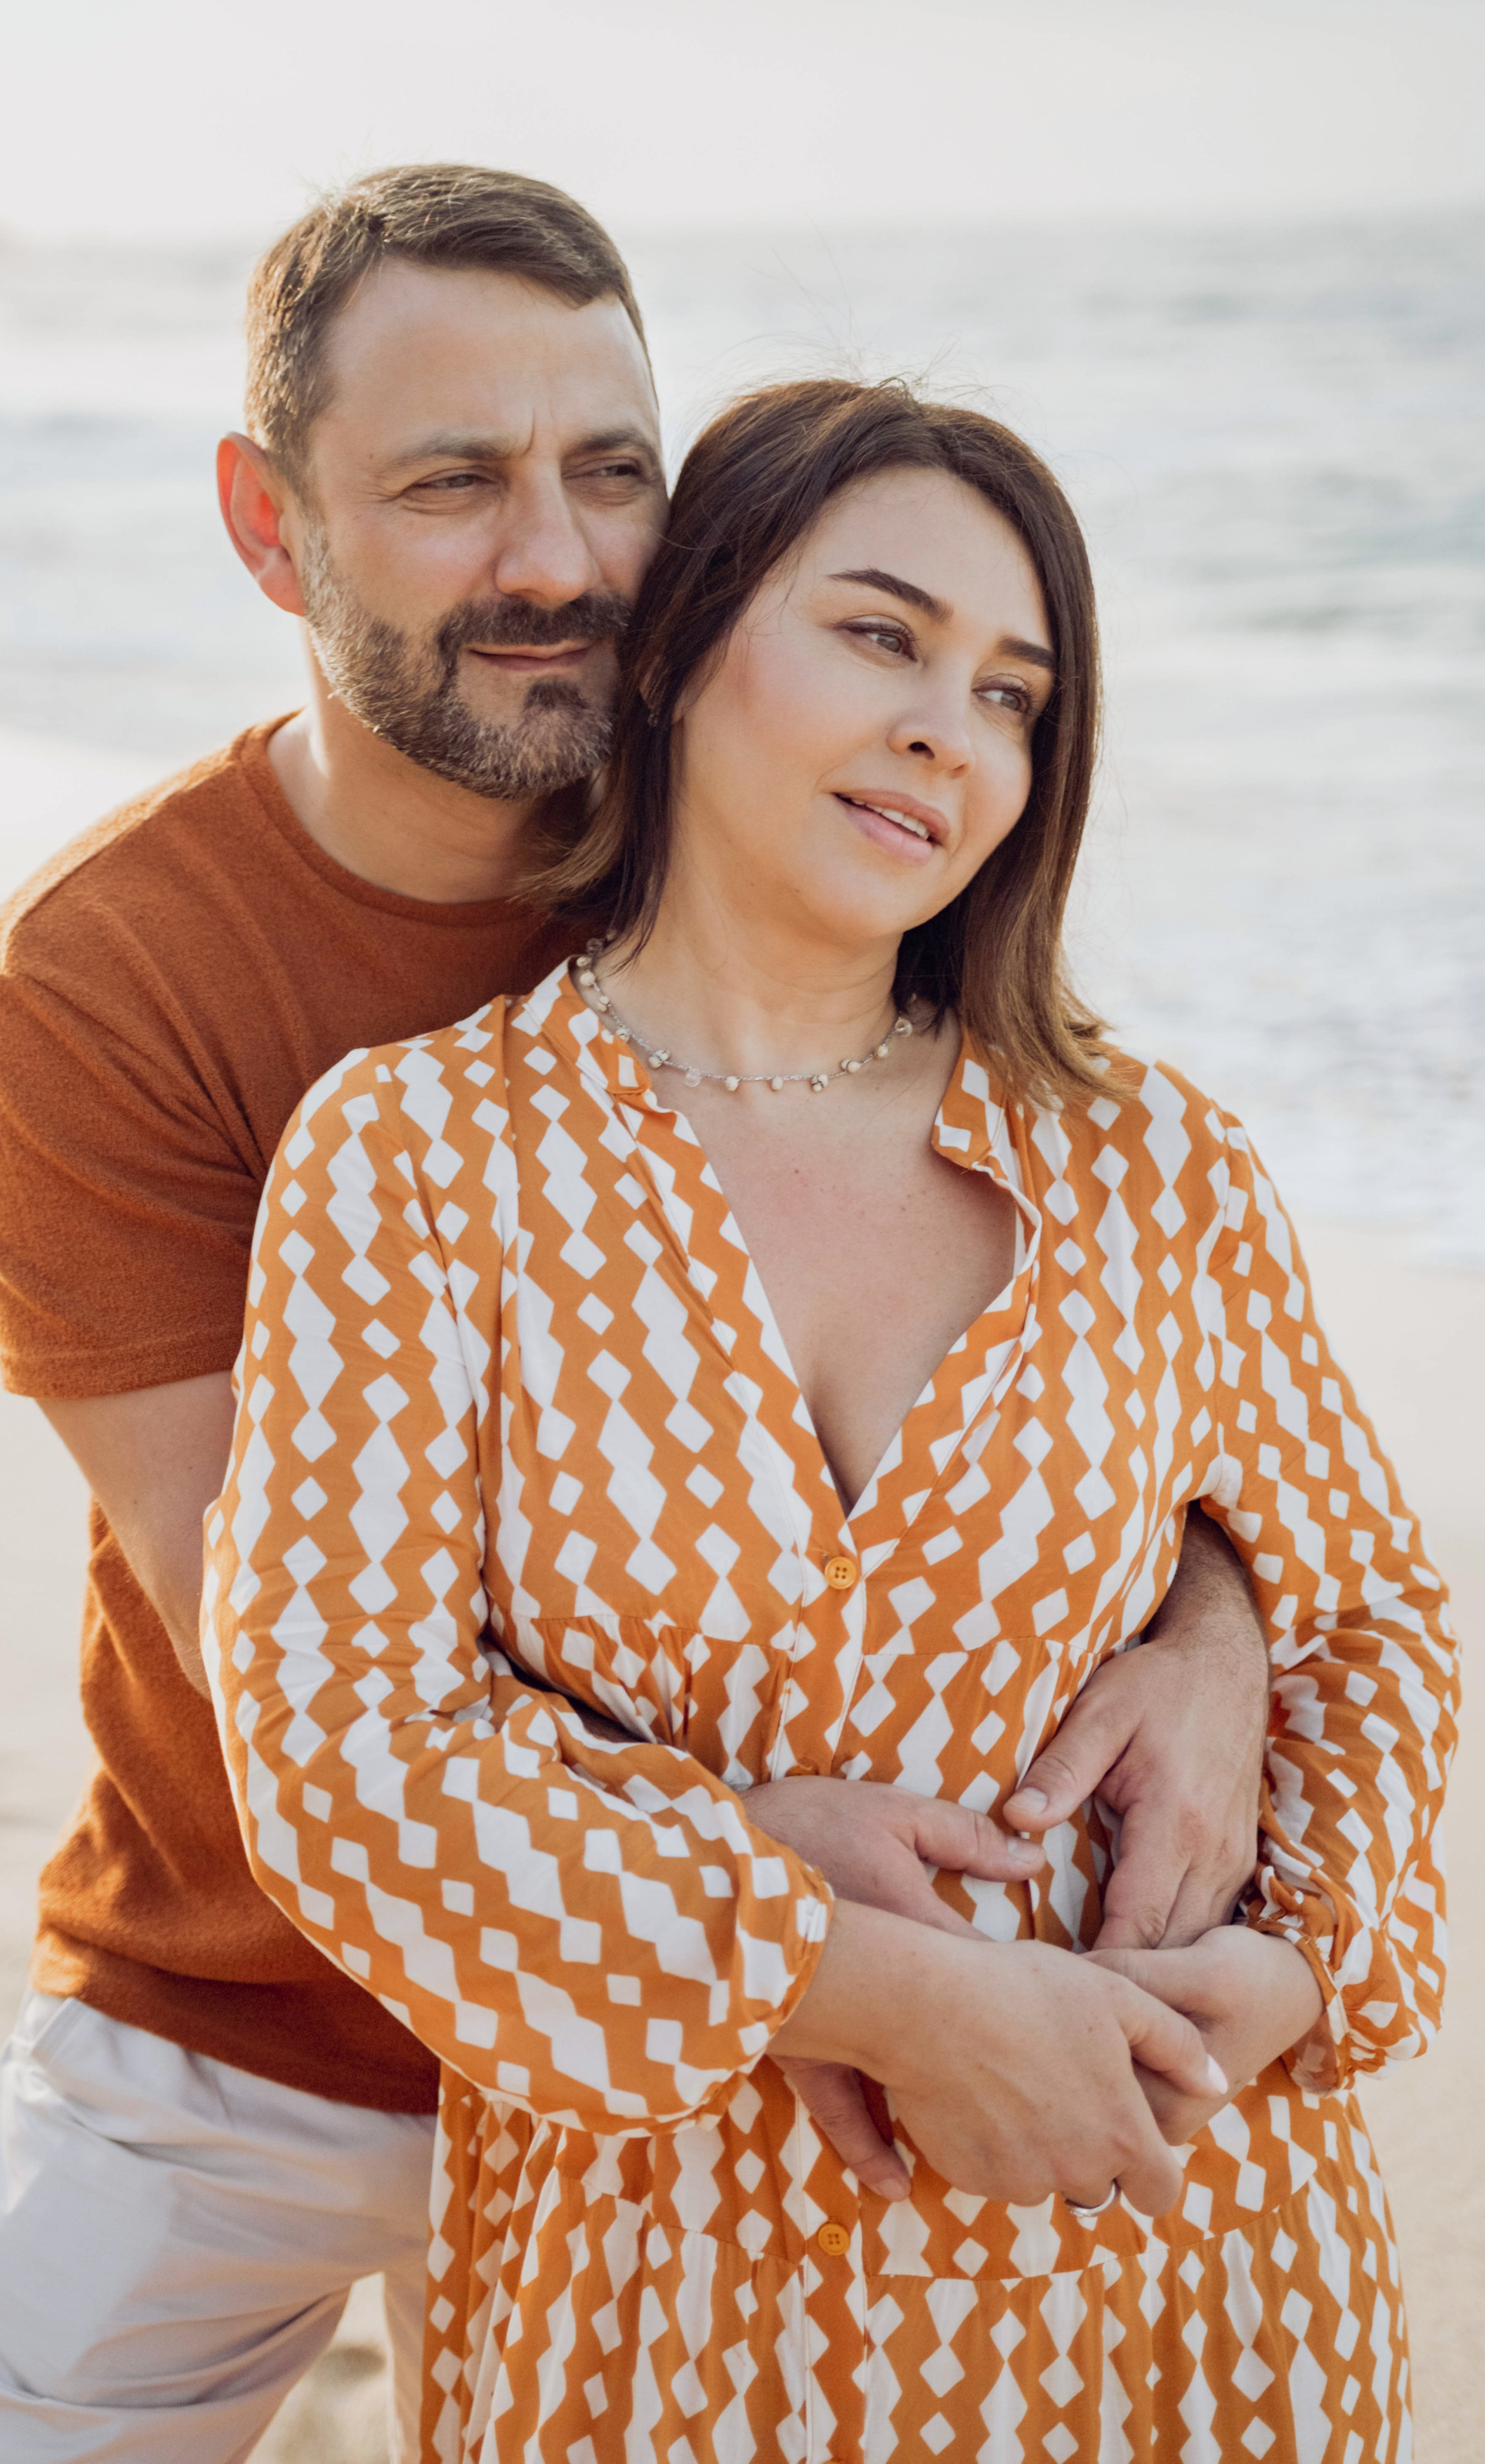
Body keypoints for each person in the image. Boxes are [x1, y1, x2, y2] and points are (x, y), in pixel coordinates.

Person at [0, 172, 1267, 2461]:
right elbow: (283, 1646)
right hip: (253, 2008)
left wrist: (1219, 1623)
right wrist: (779, 1909)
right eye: (451, 483)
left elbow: (1107, 1329)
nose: (554, 557)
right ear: (270, 527)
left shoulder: (794, 834)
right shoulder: (105, 985)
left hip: (732, 2086)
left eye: (610, 471)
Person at [205, 374, 1458, 2462]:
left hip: (1172, 2266)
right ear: (687, 645)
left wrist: (1304, 1970)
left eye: (1013, 692)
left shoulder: (1154, 1162)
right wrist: (861, 1985)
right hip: (671, 2300)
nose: (947, 731)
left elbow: (1372, 1615)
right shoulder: (420, 1160)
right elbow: (343, 1755)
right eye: (881, 635)